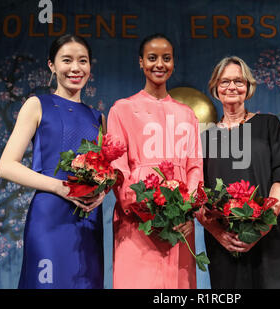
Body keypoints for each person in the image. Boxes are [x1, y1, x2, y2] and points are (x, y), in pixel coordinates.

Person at [0, 34, 105, 288]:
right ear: (52, 65)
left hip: (88, 222)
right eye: (66, 60)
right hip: (49, 218)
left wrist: (102, 192)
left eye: (83, 61)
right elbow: (6, 166)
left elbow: (103, 172)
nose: (76, 68)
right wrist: (59, 187)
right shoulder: (37, 105)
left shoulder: (98, 117)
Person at [198, 56, 280, 288]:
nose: (232, 87)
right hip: (225, 242)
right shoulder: (204, 138)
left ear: (249, 87)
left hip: (269, 238)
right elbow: (198, 196)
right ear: (215, 88)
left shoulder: (269, 125)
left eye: (239, 81)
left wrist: (263, 226)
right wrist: (218, 233)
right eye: (225, 81)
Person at [107, 33, 203, 289]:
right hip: (137, 222)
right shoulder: (122, 109)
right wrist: (144, 207)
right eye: (152, 58)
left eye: (166, 58)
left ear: (174, 63)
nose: (159, 64)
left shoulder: (187, 114)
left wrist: (186, 211)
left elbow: (195, 167)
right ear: (141, 62)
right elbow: (118, 167)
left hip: (179, 223)